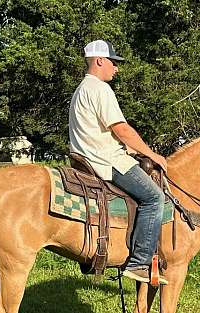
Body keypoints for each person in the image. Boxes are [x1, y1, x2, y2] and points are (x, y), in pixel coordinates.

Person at [68, 39, 168, 285]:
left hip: (87, 158)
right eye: (113, 62)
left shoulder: (81, 89)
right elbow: (121, 129)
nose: (116, 68)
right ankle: (139, 263)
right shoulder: (100, 89)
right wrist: (153, 155)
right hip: (106, 161)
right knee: (155, 198)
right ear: (100, 61)